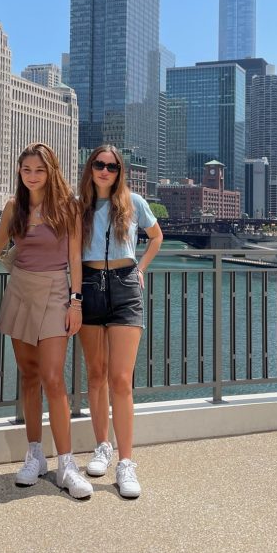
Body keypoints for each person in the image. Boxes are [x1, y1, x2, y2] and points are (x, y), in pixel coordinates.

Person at [0, 143, 93, 500]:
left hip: (56, 292)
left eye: (39, 170)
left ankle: (67, 464)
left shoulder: (68, 207)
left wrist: (76, 302)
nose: (33, 176)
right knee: (29, 377)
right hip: (20, 290)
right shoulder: (14, 207)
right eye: (26, 170)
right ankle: (34, 453)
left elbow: (75, 260)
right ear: (20, 173)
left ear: (51, 171)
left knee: (54, 378)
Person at [76, 145, 163, 499]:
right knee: (95, 375)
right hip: (88, 286)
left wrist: (140, 269)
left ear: (119, 170)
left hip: (125, 287)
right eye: (99, 164)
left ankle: (126, 461)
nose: (105, 170)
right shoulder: (78, 205)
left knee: (121, 380)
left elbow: (156, 237)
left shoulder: (133, 201)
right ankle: (102, 445)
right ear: (91, 167)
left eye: (112, 166)